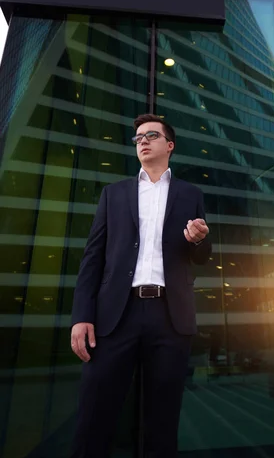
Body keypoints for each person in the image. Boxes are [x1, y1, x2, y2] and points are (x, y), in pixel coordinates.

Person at [70, 114, 211, 458]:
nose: (143, 141)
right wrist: (82, 315)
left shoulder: (190, 194)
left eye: (151, 135)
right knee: (94, 413)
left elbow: (202, 256)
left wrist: (199, 239)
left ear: (169, 145)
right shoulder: (113, 194)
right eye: (137, 138)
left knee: (162, 421)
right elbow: (93, 258)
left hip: (170, 317)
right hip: (116, 316)